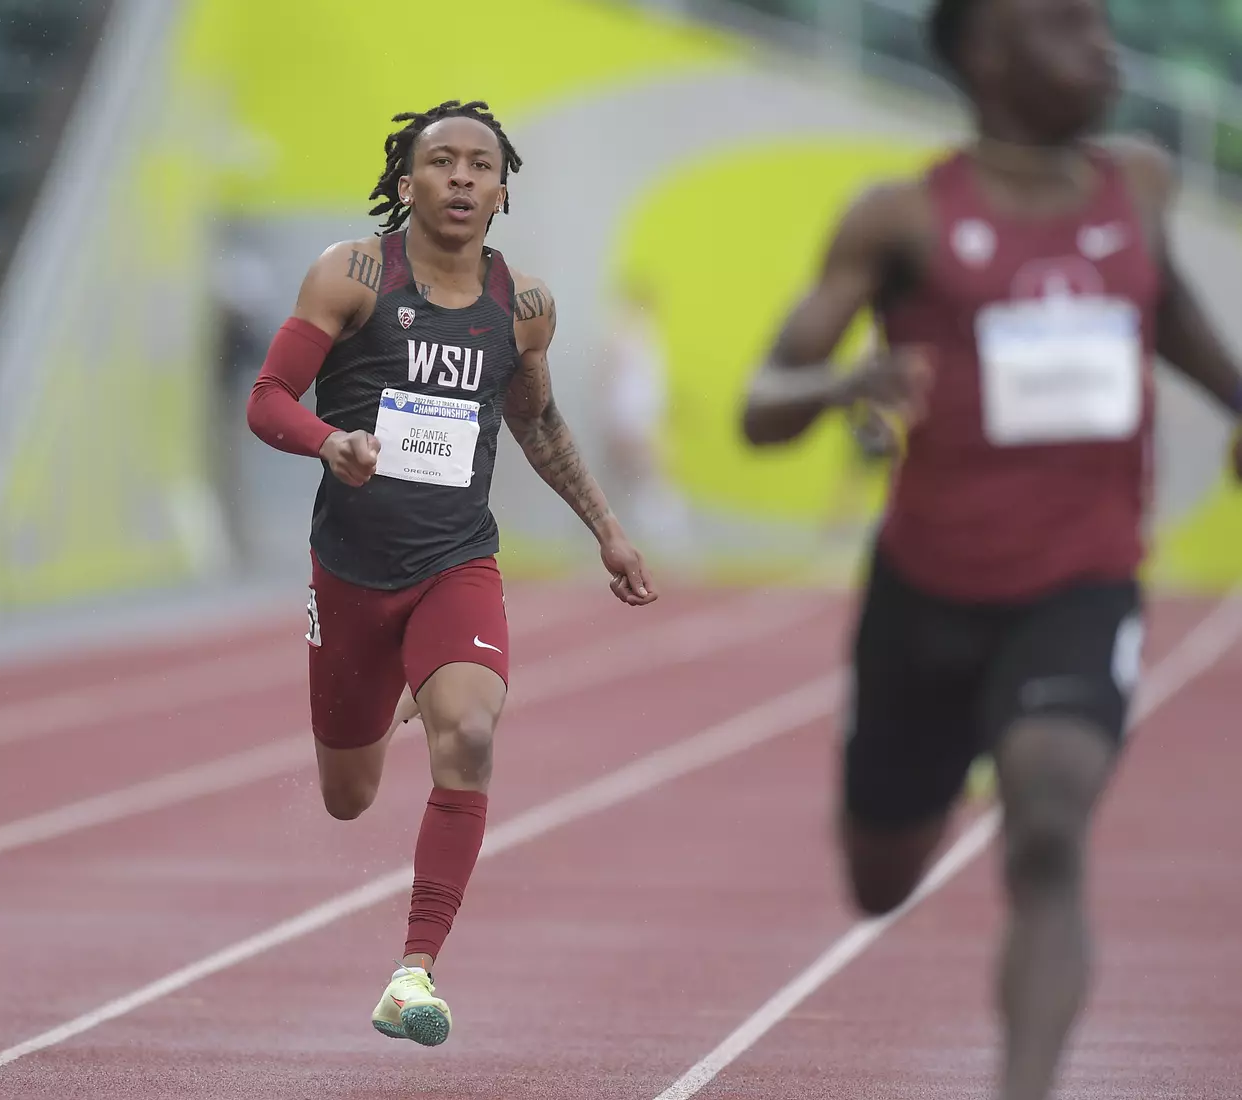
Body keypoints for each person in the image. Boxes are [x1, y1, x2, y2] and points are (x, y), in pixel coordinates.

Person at [739, 1, 1242, 1097]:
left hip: (1083, 579)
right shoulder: (900, 219)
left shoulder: (1140, 188)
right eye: (1066, 23)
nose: (1103, 45)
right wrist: (842, 383)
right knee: (880, 878)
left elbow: (1184, 326)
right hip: (925, 593)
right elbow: (760, 404)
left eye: (1102, 21)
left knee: (1049, 825)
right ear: (983, 52)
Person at [246, 99, 655, 1047]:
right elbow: (267, 399)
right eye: (442, 163)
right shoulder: (351, 276)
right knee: (348, 797)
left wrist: (608, 531)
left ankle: (414, 971)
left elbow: (539, 424)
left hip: (457, 562)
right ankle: (389, 698)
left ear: (504, 191)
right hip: (350, 570)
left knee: (471, 728)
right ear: (406, 182)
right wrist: (328, 440)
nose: (463, 178)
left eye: (482, 165)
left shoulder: (525, 306)